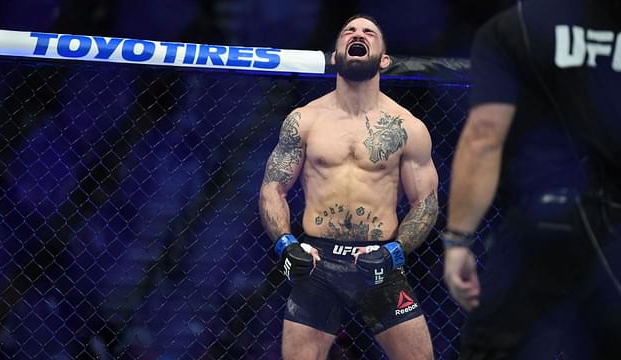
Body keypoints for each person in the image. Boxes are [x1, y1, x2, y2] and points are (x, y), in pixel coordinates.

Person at [443, 0, 621, 358]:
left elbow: (483, 136)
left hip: (542, 222)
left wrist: (458, 239)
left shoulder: (514, 26)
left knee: (493, 347)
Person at [258, 14, 438, 360]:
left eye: (369, 32)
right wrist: (285, 245)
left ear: (384, 59)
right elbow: (273, 188)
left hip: (380, 262)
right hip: (315, 263)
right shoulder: (304, 120)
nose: (358, 34)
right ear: (335, 55)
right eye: (349, 31)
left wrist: (394, 253)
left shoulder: (408, 127)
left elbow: (425, 202)